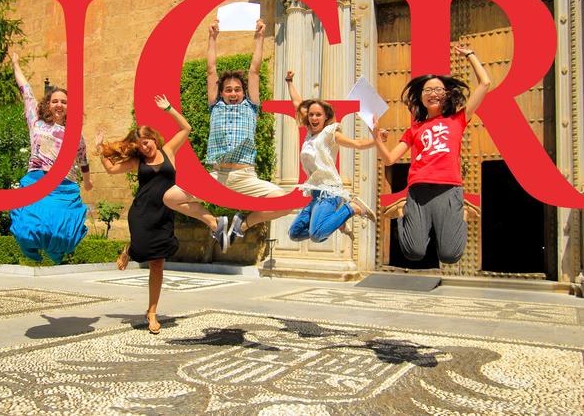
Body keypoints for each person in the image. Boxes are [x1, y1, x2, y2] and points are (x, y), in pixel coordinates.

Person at [96, 95, 224, 334]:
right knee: (143, 251)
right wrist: (100, 149)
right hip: (142, 213)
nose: (146, 146)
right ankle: (130, 250)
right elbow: (112, 168)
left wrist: (169, 108)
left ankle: (152, 311)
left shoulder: (168, 151)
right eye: (141, 144)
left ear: (153, 138)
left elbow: (186, 127)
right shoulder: (138, 162)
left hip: (165, 211)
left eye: (148, 141)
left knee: (157, 264)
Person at [163, 18, 291, 251]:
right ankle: (214, 223)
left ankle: (243, 223)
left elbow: (254, 71)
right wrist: (212, 38)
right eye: (228, 90)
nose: (233, 93)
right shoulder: (216, 106)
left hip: (245, 177)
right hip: (216, 176)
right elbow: (211, 71)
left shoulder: (250, 106)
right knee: (170, 198)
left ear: (244, 92)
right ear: (221, 93)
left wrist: (259, 38)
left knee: (286, 203)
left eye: (237, 90)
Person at [371, 46, 491, 263]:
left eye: (438, 90)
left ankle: (463, 212)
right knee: (413, 252)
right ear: (420, 97)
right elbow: (389, 159)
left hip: (449, 188)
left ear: (446, 95)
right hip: (418, 190)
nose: (433, 93)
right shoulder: (414, 129)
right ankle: (400, 210)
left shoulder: (458, 119)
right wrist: (377, 139)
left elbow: (485, 84)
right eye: (427, 90)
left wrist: (471, 54)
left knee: (450, 256)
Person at [8, 52, 92, 265]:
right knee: (26, 225)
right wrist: (16, 64)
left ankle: (56, 253)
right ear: (48, 104)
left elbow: (82, 158)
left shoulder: (75, 133)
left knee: (62, 231)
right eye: (55, 101)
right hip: (37, 178)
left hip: (65, 184)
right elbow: (26, 91)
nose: (59, 105)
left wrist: (88, 180)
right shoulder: (35, 122)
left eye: (64, 102)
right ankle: (29, 248)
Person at [285, 71, 381, 243]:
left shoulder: (330, 133)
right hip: (316, 194)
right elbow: (297, 104)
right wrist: (289, 82)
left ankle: (353, 208)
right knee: (295, 233)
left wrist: (376, 140)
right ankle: (334, 222)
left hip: (329, 192)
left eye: (318, 115)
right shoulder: (309, 134)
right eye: (311, 114)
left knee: (316, 235)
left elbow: (356, 143)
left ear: (326, 117)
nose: (314, 118)